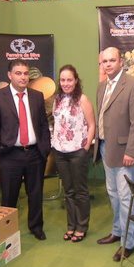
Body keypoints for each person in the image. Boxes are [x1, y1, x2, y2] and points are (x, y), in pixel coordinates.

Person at [0, 60, 51, 240]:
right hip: (10, 155)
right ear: (10, 75)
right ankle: (7, 231)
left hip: (35, 154)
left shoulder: (37, 96)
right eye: (18, 73)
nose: (23, 77)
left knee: (35, 194)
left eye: (25, 73)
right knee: (9, 196)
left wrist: (44, 148)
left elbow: (43, 125)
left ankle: (36, 227)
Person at [94, 46, 134, 262]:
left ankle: (128, 242)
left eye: (112, 60)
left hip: (125, 152)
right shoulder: (101, 87)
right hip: (105, 147)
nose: (107, 64)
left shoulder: (133, 85)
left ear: (121, 62)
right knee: (113, 194)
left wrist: (132, 151)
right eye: (104, 61)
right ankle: (117, 231)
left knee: (125, 197)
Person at [51, 65, 96, 243]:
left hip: (78, 152)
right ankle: (71, 226)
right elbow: (56, 123)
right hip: (60, 152)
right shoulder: (57, 99)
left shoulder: (82, 99)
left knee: (80, 191)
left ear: (76, 80)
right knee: (68, 192)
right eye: (63, 80)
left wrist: (85, 148)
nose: (66, 83)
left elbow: (92, 125)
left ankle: (81, 227)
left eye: (69, 79)